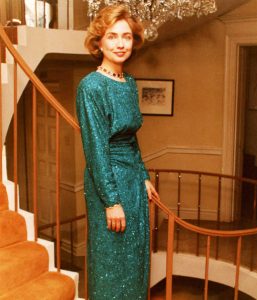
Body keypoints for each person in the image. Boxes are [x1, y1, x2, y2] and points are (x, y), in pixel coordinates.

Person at [76, 5, 159, 300]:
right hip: (107, 183)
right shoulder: (91, 86)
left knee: (134, 259)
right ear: (99, 42)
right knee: (110, 260)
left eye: (126, 36)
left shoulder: (129, 82)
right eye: (112, 36)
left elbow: (131, 139)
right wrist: (111, 201)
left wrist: (144, 176)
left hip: (133, 183)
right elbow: (96, 149)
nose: (120, 44)